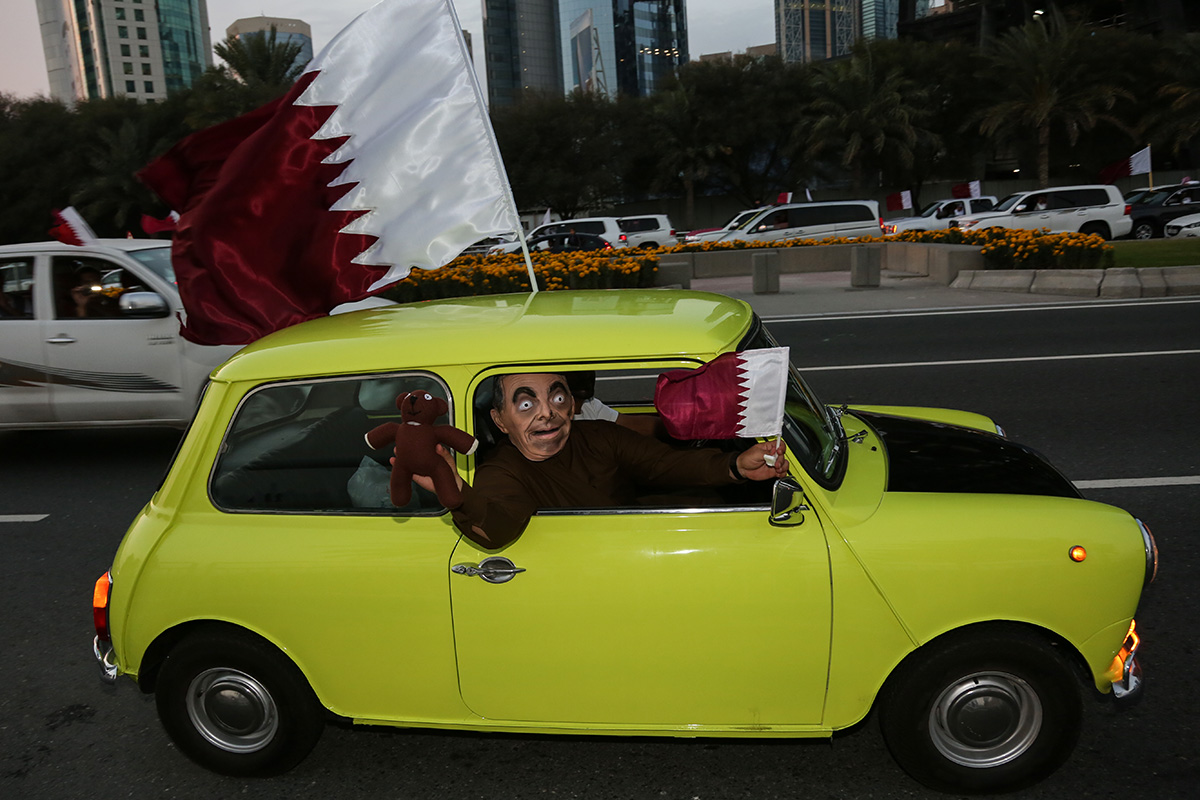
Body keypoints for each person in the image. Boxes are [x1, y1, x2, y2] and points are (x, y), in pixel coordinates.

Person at [415, 372, 787, 549]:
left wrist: (736, 465)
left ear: (572, 405)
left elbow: (666, 465)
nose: (547, 414)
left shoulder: (597, 435)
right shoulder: (502, 470)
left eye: (557, 399)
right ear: (500, 420)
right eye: (526, 404)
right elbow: (498, 528)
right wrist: (458, 492)